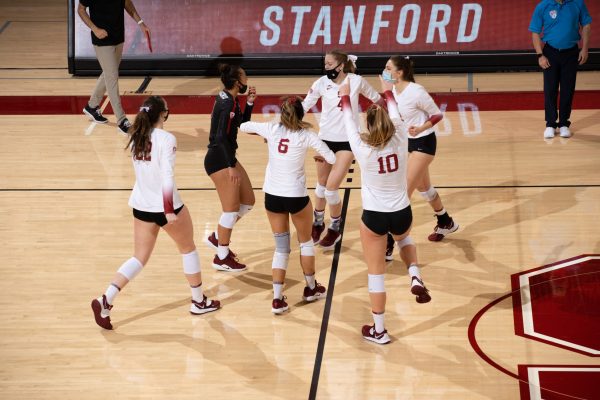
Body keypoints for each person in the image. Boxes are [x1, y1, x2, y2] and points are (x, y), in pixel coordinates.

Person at [91, 96, 220, 330]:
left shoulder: (136, 135)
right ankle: (198, 301)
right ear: (163, 114)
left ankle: (106, 299)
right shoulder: (167, 138)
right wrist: (169, 209)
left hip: (141, 205)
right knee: (188, 249)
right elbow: (167, 176)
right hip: (166, 206)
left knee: (138, 258)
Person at [339, 78, 431, 345]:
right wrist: (387, 89)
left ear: (368, 126)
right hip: (402, 211)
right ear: (390, 124)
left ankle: (379, 329)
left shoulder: (362, 148)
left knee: (376, 274)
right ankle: (414, 273)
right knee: (405, 239)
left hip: (374, 217)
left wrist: (345, 96)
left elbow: (348, 119)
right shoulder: (401, 136)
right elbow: (394, 110)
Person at [240, 97, 336, 313]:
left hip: (273, 196)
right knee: (305, 243)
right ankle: (311, 288)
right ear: (301, 114)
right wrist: (320, 158)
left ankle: (277, 299)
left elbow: (244, 125)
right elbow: (330, 157)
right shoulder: (307, 134)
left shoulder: (272, 128)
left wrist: (262, 135)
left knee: (281, 248)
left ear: (281, 114)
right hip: (296, 197)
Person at [302, 50, 384, 250]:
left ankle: (335, 227)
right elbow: (304, 105)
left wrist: (390, 119)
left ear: (340, 66)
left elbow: (377, 99)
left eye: (329, 64)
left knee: (331, 190)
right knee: (320, 187)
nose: (326, 67)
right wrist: (283, 125)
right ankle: (318, 223)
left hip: (348, 142)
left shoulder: (356, 80)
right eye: (325, 64)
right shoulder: (320, 83)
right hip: (325, 140)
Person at [383, 56, 458, 261]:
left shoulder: (416, 91)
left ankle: (389, 242)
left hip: (423, 143)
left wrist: (421, 128)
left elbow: (436, 115)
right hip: (406, 143)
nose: (384, 70)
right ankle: (445, 221)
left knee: (402, 193)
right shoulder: (394, 91)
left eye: (388, 68)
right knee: (425, 189)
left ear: (399, 72)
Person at [204, 64, 257, 271]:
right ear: (237, 82)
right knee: (230, 210)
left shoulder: (230, 99)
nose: (247, 79)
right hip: (219, 159)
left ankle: (217, 236)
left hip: (227, 156)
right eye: (244, 76)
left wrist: (250, 103)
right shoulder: (226, 104)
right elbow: (218, 137)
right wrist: (229, 166)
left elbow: (241, 125)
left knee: (248, 202)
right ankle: (221, 257)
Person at [78, 0, 150, 134]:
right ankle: (122, 120)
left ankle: (92, 106)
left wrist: (141, 23)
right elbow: (81, 10)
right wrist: (95, 29)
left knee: (108, 73)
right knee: (112, 78)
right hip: (102, 40)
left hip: (118, 37)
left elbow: (127, 3)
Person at [529, 0, 592, 139]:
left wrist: (585, 49)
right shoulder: (543, 6)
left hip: (571, 53)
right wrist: (540, 55)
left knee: (567, 89)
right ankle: (550, 124)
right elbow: (535, 32)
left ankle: (564, 123)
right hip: (550, 53)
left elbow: (586, 25)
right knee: (550, 89)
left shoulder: (578, 4)